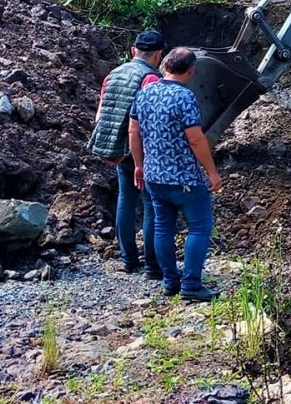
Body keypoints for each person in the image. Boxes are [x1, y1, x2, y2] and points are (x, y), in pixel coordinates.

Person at [128, 47, 223, 302]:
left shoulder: (144, 92)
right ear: (191, 70)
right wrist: (211, 173)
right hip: (185, 179)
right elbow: (195, 138)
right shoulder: (185, 97)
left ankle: (170, 281)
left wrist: (139, 165)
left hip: (154, 177)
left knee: (163, 228)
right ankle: (191, 284)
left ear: (165, 66)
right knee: (200, 228)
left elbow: (133, 132)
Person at [88, 29, 164, 276]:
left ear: (133, 51)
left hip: (119, 149)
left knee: (126, 200)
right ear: (158, 55)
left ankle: (128, 260)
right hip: (142, 149)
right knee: (151, 204)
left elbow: (100, 114)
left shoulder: (113, 74)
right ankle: (153, 265)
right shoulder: (151, 79)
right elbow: (149, 121)